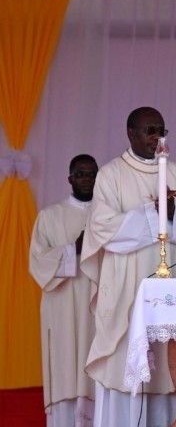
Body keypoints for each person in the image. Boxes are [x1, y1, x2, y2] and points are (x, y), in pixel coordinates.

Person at [80, 107, 176, 427]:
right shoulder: (111, 175)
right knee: (124, 365)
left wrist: (172, 216)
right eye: (149, 130)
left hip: (172, 290)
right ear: (130, 132)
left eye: (161, 131)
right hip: (127, 287)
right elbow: (101, 229)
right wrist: (152, 215)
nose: (157, 137)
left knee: (171, 369)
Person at [29, 154, 99, 427]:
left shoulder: (108, 216)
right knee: (65, 366)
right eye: (80, 174)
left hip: (98, 305)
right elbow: (37, 262)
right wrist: (74, 250)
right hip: (62, 306)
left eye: (92, 173)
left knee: (96, 368)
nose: (86, 179)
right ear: (70, 178)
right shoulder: (49, 216)